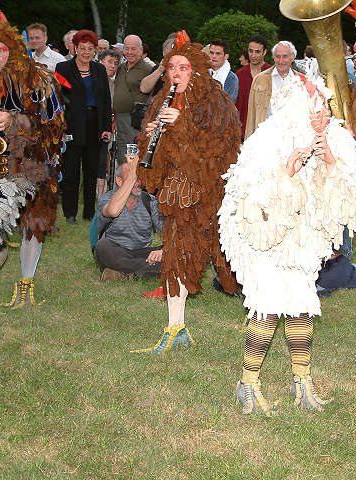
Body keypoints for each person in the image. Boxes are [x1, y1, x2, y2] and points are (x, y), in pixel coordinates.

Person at [219, 58, 356, 415]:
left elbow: (347, 197)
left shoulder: (334, 138)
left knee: (301, 303)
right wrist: (286, 174)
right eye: (314, 106)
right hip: (263, 238)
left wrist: (330, 161)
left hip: (302, 239)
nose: (321, 114)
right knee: (267, 304)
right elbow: (248, 199)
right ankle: (248, 382)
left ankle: (302, 379)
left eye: (323, 106)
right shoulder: (267, 140)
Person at [132, 31, 240, 354]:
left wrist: (182, 123)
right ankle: (175, 327)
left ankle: (263, 309)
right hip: (177, 193)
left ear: (196, 70)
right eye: (172, 68)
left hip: (208, 194)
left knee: (229, 256)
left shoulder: (215, 101)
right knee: (177, 254)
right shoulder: (161, 100)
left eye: (183, 68)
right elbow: (153, 159)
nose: (176, 74)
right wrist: (149, 136)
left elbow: (220, 147)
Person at [0, 8, 65, 307]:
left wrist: (15, 120)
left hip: (34, 162)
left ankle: (26, 284)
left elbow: (54, 125)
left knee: (33, 223)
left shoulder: (39, 80)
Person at [56, 30, 112, 224]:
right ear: (75, 49)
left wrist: (106, 127)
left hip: (95, 124)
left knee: (91, 171)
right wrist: (61, 127)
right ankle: (70, 213)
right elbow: (57, 99)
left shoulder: (100, 69)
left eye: (90, 49)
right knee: (71, 171)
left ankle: (89, 212)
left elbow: (106, 100)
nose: (86, 52)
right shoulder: (63, 68)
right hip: (71, 125)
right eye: (82, 48)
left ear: (95, 50)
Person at [95, 156, 163, 281]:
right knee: (102, 246)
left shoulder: (149, 201)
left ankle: (121, 272)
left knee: (174, 252)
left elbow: (166, 231)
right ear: (119, 181)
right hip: (116, 251)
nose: (137, 182)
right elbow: (113, 211)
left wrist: (163, 251)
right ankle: (144, 271)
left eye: (138, 177)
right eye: (132, 177)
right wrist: (132, 177)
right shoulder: (106, 199)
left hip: (144, 253)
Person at [244, 40, 300, 139]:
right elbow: (251, 115)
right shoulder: (260, 79)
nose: (281, 61)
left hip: (292, 138)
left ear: (292, 57)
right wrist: (248, 142)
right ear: (273, 58)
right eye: (277, 56)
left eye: (285, 56)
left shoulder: (302, 81)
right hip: (265, 137)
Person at [113, 34, 152, 166]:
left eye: (133, 49)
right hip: (120, 119)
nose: (129, 52)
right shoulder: (121, 67)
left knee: (133, 155)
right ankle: (123, 178)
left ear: (141, 50)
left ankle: (133, 179)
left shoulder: (147, 69)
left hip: (136, 120)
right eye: (127, 48)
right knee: (121, 154)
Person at [235, 35, 271, 138]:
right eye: (250, 51)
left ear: (264, 52)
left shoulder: (272, 74)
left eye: (257, 52)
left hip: (266, 131)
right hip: (242, 132)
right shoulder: (239, 75)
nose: (253, 55)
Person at [97, 48, 121, 197]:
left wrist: (115, 118)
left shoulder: (114, 84)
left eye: (116, 63)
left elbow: (116, 105)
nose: (113, 66)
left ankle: (101, 195)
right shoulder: (91, 80)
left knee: (103, 158)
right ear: (100, 62)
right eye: (109, 62)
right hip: (91, 124)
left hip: (107, 126)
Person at [139, 34, 176, 98]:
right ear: (163, 53)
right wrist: (160, 70)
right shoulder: (158, 69)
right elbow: (144, 89)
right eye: (167, 57)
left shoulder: (190, 71)